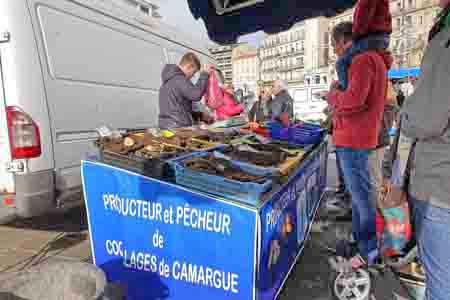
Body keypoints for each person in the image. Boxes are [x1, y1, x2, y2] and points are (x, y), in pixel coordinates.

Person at [326, 21, 392, 268]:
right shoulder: (371, 60)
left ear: (345, 41)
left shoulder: (363, 60)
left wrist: (332, 95)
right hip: (359, 137)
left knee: (362, 199)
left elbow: (354, 101)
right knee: (359, 197)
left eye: (335, 45)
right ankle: (361, 242)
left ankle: (367, 251)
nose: (335, 51)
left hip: (353, 138)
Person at [400, 0, 450, 299]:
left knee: (442, 283)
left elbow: (425, 118)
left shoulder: (445, 41)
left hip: (440, 186)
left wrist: (408, 111)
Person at [158, 52, 212, 129]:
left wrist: (200, 115)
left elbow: (179, 109)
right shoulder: (179, 79)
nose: (192, 76)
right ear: (189, 66)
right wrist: (204, 74)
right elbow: (196, 95)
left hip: (167, 126)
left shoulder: (168, 81)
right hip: (178, 128)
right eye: (193, 73)